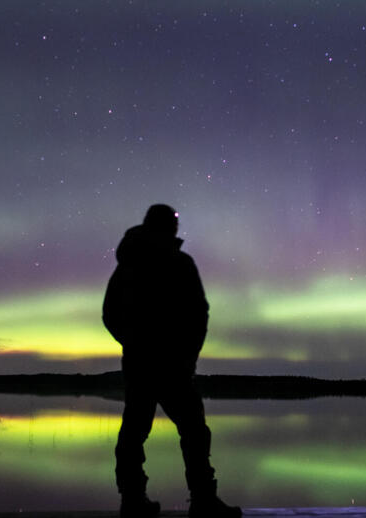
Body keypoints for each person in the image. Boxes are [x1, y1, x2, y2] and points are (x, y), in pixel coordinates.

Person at [103, 204, 241, 518]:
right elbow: (111, 314)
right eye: (172, 223)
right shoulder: (141, 266)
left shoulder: (169, 264)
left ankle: (183, 499)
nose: (175, 228)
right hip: (155, 364)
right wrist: (138, 344)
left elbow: (198, 313)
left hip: (169, 365)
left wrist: (185, 354)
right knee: (156, 431)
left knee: (179, 431)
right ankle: (144, 499)